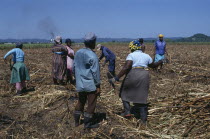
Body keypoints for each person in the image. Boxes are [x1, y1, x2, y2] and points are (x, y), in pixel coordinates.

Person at [109, 40, 163, 125]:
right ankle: (143, 121)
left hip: (133, 74)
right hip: (144, 75)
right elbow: (153, 65)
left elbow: (126, 67)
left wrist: (116, 77)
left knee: (124, 93)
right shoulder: (146, 56)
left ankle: (127, 112)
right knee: (141, 96)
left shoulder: (131, 55)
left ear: (131, 48)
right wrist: (160, 61)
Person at [73, 32, 101, 129]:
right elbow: (95, 73)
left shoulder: (78, 53)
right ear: (93, 42)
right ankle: (87, 124)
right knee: (91, 103)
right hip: (90, 84)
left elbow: (74, 68)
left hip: (80, 83)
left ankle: (76, 123)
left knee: (81, 101)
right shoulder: (93, 56)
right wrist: (98, 85)